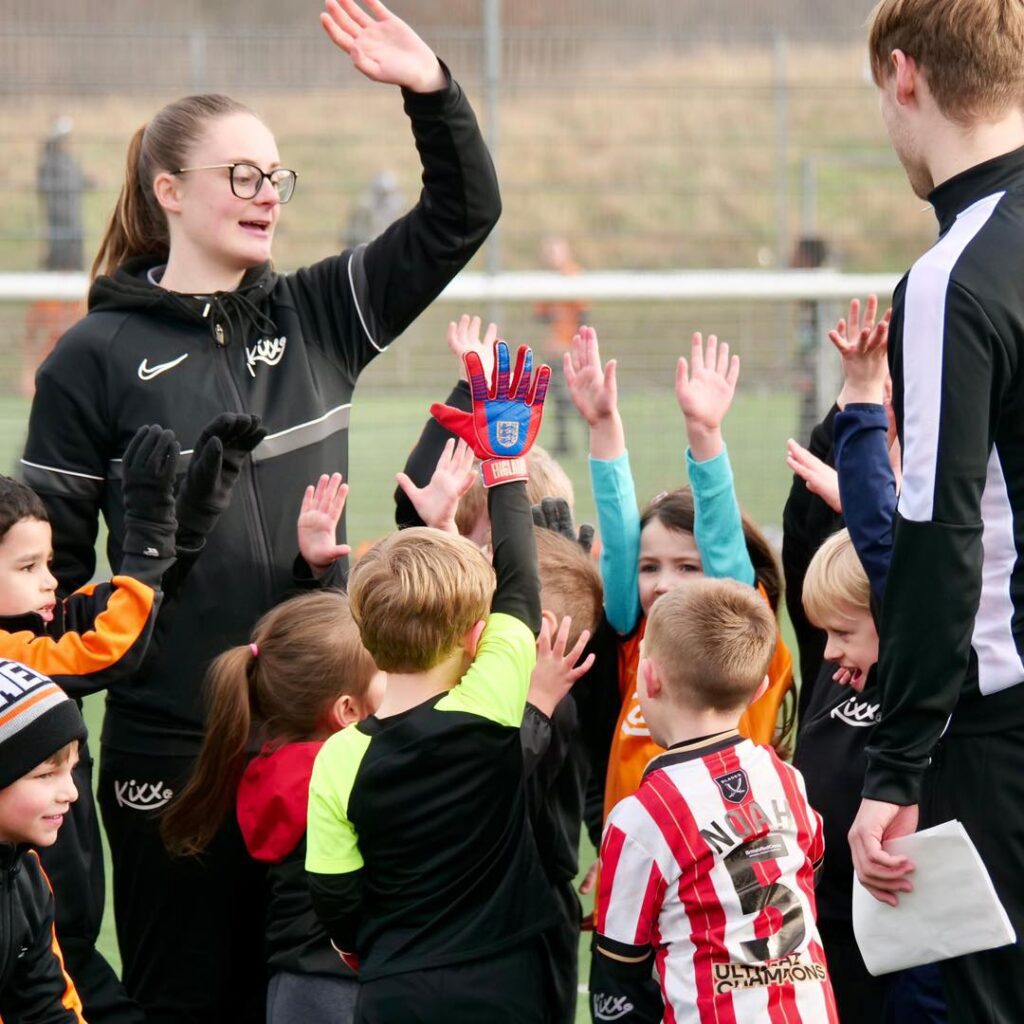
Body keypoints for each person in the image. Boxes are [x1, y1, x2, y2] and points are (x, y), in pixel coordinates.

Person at [20, 2, 500, 1020]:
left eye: (275, 177)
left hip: (321, 738)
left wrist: (430, 93)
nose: (266, 196)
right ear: (168, 191)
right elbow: (40, 587)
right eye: (241, 175)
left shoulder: (319, 314)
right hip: (166, 751)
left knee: (321, 998)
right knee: (182, 1001)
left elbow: (460, 216)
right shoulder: (90, 359)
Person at [849, 4, 1024, 1020]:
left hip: (999, 736)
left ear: (903, 75)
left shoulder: (952, 275)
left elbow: (938, 533)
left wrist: (897, 761)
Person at [306, 341, 559, 1023]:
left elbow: (335, 894)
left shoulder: (338, 757)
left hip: (397, 989)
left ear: (363, 631)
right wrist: (505, 468)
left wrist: (368, 947)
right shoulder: (494, 702)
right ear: (474, 635)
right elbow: (523, 588)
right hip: (507, 981)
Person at [1, 415, 259, 1024]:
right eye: (28, 567)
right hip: (27, 950)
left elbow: (125, 614)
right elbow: (110, 646)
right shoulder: (9, 657)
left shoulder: (29, 630)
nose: (52, 581)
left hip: (56, 937)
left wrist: (184, 527)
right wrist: (145, 534)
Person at [592, 579, 837, 1023]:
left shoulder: (641, 816)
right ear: (760, 690)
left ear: (648, 677)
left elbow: (620, 963)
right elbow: (809, 868)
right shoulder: (787, 780)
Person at [161, 589, 382, 1024]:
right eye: (389, 670)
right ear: (348, 710)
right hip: (343, 992)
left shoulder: (273, 770)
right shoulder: (349, 777)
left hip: (294, 987)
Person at [0, 659, 90, 1023]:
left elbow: (45, 1006)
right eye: (45, 774)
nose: (70, 792)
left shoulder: (25, 878)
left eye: (71, 769)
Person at [37, 116, 91, 272]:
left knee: (74, 259)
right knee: (59, 258)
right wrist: (60, 212)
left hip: (73, 218)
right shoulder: (48, 162)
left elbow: (76, 180)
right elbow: (46, 190)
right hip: (59, 220)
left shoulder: (69, 159)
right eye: (64, 139)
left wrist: (90, 181)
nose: (68, 142)